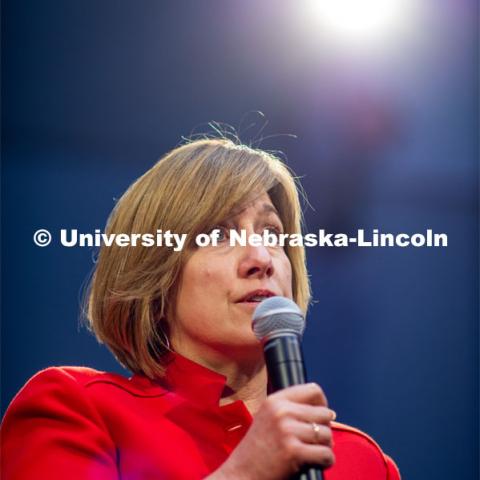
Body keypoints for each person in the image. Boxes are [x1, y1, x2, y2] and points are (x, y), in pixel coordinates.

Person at [1, 138, 401, 479]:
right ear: (155, 274)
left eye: (272, 233)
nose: (260, 258)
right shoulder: (81, 409)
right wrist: (244, 473)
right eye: (217, 235)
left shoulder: (360, 461)